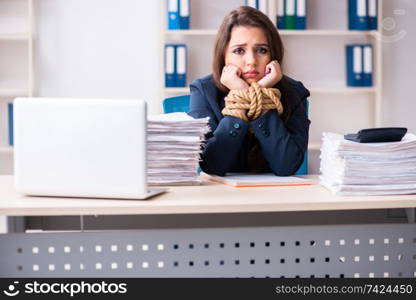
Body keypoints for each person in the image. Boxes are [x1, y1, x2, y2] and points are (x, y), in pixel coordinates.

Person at [188, 6, 310, 176]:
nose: (251, 61)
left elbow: (287, 166)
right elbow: (212, 165)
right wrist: (242, 94)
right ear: (224, 55)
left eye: (262, 50)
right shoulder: (203, 90)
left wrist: (259, 100)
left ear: (273, 55)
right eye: (239, 51)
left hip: (276, 195)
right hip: (220, 195)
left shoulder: (294, 92)